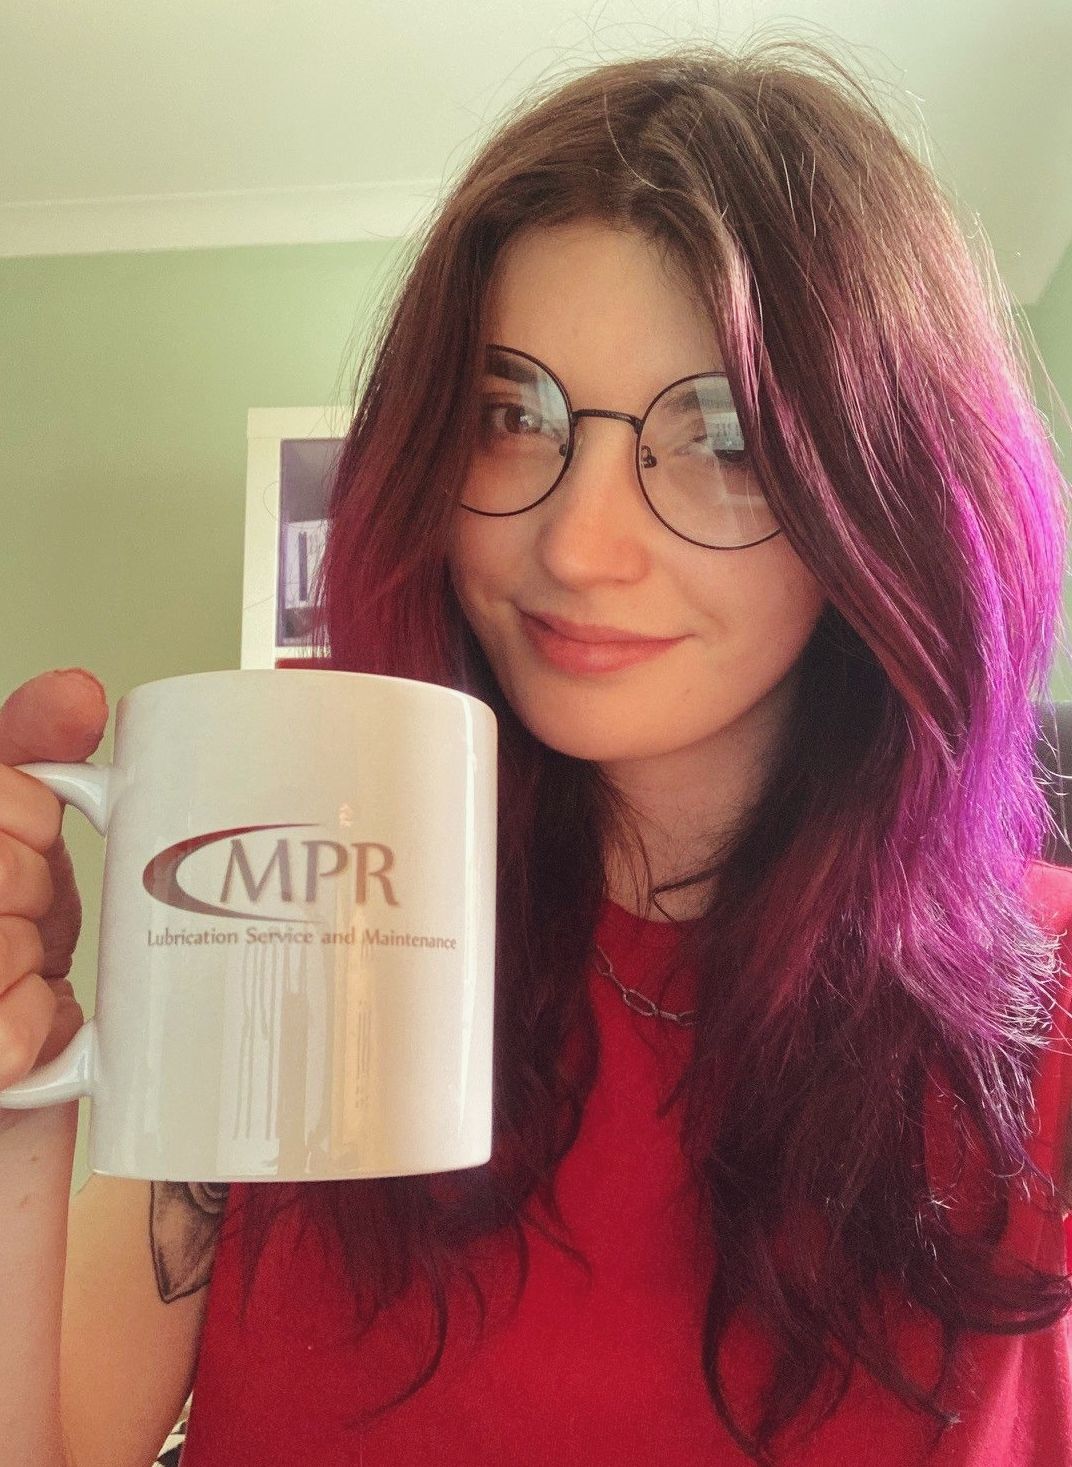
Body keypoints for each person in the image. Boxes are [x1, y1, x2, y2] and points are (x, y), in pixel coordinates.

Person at [1, 36, 1071, 1467]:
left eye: (726, 438)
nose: (575, 543)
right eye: (516, 418)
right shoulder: (311, 921)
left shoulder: (1041, 1020)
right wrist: (21, 1097)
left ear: (881, 495)